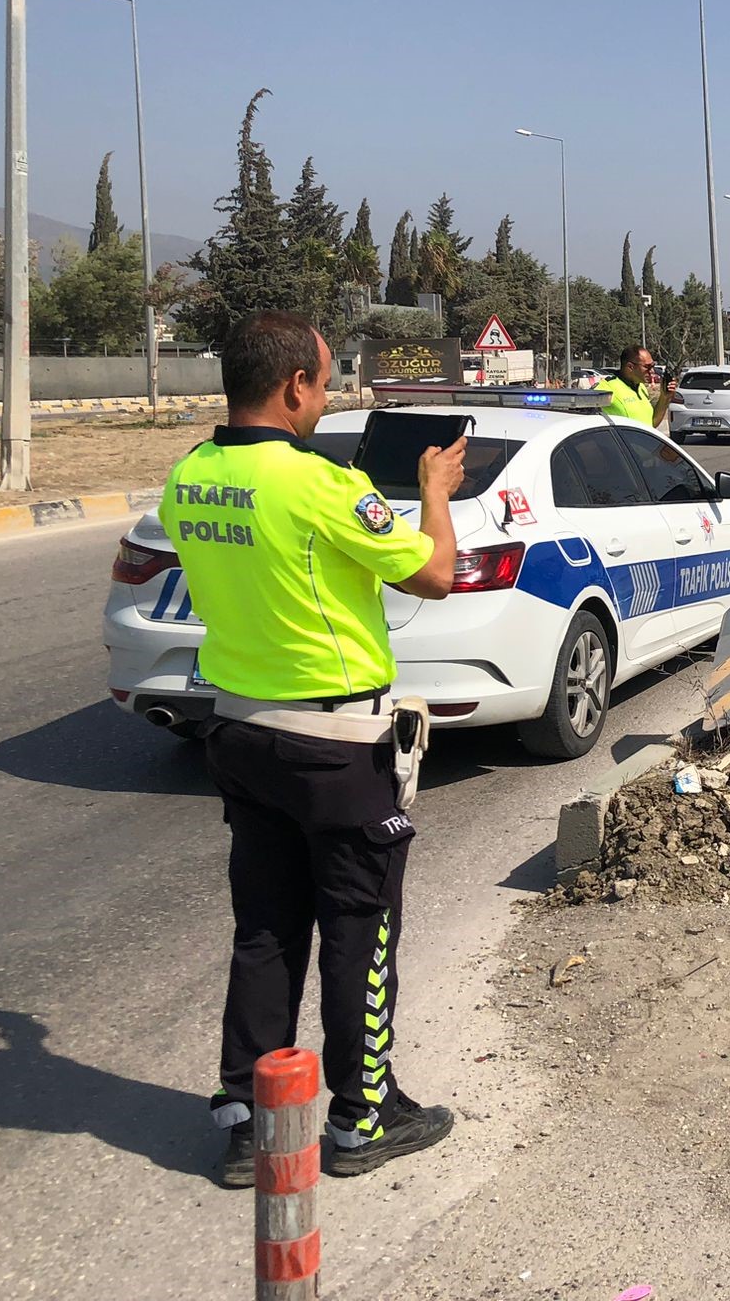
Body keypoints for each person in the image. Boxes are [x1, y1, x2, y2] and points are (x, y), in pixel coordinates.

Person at [165, 311, 466, 1188]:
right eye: (325, 382)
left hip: (239, 731)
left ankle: (250, 1122)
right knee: (358, 929)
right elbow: (436, 575)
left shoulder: (190, 477)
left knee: (264, 927)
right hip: (334, 746)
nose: (326, 397)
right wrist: (434, 488)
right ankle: (363, 1117)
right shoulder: (321, 485)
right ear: (294, 384)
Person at [596, 344, 665, 426]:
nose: (652, 371)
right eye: (648, 367)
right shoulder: (606, 388)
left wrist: (666, 397)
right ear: (630, 366)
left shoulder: (641, 387)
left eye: (653, 366)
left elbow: (650, 425)